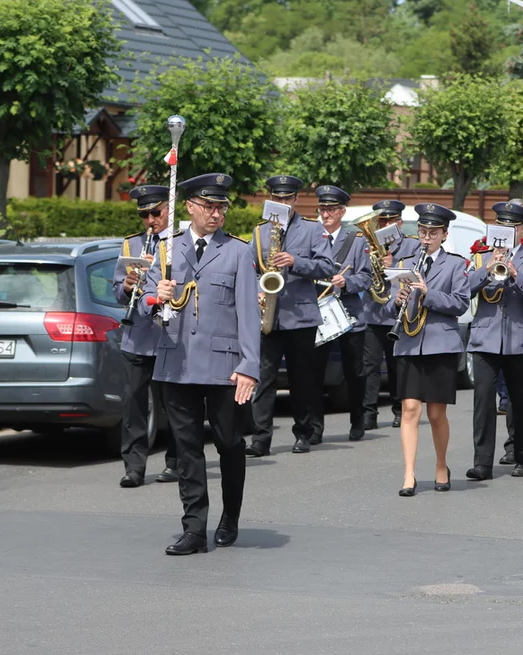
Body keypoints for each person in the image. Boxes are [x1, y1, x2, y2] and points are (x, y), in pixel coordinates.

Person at [144, 173, 261, 555]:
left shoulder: (238, 251)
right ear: (190, 207)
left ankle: (230, 517)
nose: (217, 214)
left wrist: (249, 365)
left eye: (221, 207)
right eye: (209, 206)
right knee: (187, 446)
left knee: (229, 442)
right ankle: (194, 528)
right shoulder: (166, 248)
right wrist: (153, 296)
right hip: (176, 363)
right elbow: (144, 302)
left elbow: (248, 313)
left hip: (224, 366)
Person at [384, 204, 471, 495]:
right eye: (422, 231)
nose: (426, 237)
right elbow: (386, 304)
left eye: (433, 233)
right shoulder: (405, 261)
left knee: (436, 414)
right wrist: (397, 300)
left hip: (440, 344)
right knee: (409, 408)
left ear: (444, 235)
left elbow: (460, 303)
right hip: (409, 343)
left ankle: (441, 465)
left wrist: (427, 293)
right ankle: (409, 474)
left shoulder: (456, 264)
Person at [248, 176, 335, 456]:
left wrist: (296, 262)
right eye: (277, 198)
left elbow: (326, 267)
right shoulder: (260, 231)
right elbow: (249, 268)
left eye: (287, 199)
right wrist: (256, 292)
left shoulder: (312, 230)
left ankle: (304, 433)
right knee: (263, 378)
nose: (282, 203)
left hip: (300, 316)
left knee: (303, 379)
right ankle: (261, 438)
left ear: (296, 200)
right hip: (268, 315)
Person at [466, 201, 523, 480]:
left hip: (519, 339)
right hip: (486, 338)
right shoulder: (480, 256)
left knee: (520, 400)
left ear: (522, 230)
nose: (506, 231)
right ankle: (482, 463)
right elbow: (463, 290)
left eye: (512, 227)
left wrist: (515, 274)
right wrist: (487, 268)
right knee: (483, 401)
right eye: (501, 225)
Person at [113, 185, 181, 488]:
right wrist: (127, 286)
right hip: (138, 336)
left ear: (168, 209)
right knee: (134, 406)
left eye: (155, 212)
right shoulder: (131, 245)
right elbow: (116, 290)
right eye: (144, 215)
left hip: (170, 335)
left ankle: (176, 462)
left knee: (175, 405)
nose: (150, 220)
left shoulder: (182, 243)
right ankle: (134, 467)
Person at [309, 185, 370, 443]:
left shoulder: (356, 240)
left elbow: (366, 277)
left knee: (354, 371)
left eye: (331, 209)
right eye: (322, 209)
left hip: (348, 314)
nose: (326, 214)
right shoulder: (311, 237)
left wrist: (348, 283)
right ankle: (314, 428)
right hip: (319, 312)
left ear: (342, 212)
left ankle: (358, 420)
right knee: (314, 372)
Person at [360, 200, 421, 430]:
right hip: (374, 313)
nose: (385, 224)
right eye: (381, 221)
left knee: (398, 365)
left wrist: (393, 264)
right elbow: (361, 274)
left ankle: (399, 409)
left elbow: (416, 274)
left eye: (390, 221)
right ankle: (369, 412)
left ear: (400, 223)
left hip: (399, 314)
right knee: (370, 366)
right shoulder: (366, 244)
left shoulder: (412, 247)